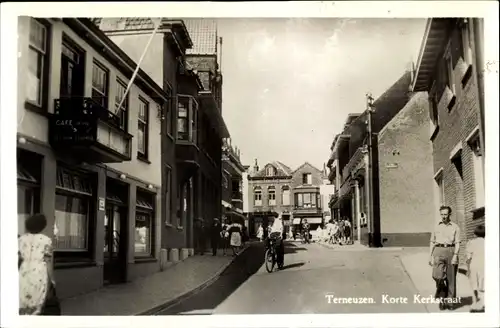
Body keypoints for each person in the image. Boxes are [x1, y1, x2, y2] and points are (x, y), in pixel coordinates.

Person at [18, 214, 57, 315]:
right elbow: (48, 261)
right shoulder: (46, 240)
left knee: (23, 301)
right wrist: (52, 279)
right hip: (39, 272)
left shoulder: (21, 239)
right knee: (37, 303)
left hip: (24, 271)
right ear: (42, 225)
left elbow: (17, 257)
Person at [429, 206, 461, 310]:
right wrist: (430, 256)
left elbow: (457, 243)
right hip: (438, 251)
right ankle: (442, 294)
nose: (443, 216)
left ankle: (450, 302)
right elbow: (432, 242)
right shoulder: (436, 226)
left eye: (445, 214)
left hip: (451, 251)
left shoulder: (455, 227)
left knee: (451, 279)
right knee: (437, 276)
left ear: (449, 214)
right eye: (442, 214)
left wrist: (455, 255)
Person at [466, 224, 485, 312]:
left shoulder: (471, 243)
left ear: (475, 234)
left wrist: (468, 269)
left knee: (474, 285)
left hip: (474, 265)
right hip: (484, 265)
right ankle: (484, 303)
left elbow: (468, 258)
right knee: (483, 284)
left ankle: (474, 303)